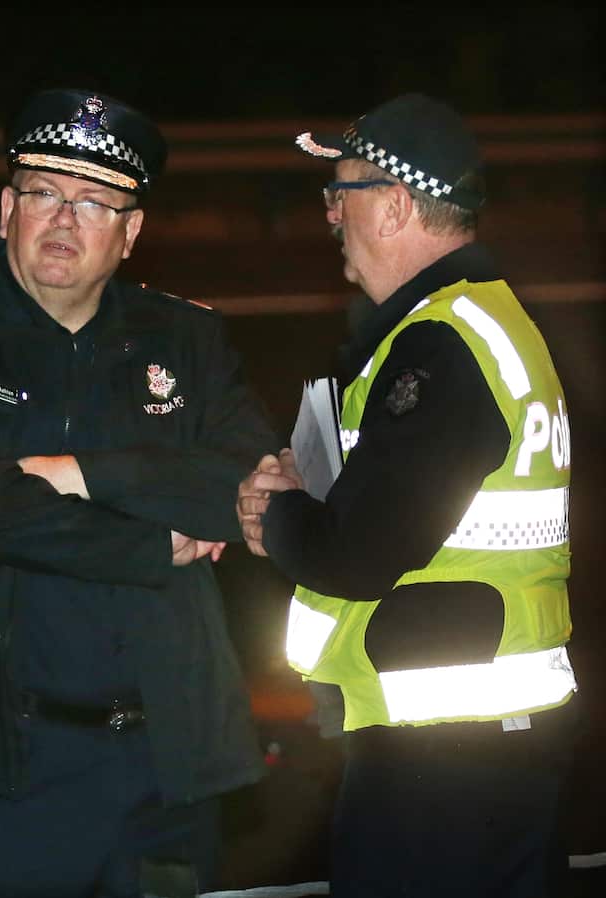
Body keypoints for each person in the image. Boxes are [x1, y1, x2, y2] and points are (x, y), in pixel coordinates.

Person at [0, 88, 278, 897]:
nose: (63, 221)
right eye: (43, 194)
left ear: (131, 233)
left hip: (166, 771)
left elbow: (249, 484)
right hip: (4, 779)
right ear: (5, 209)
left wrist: (80, 473)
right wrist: (153, 537)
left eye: (95, 203)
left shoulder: (186, 340)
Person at [237, 93, 579, 897]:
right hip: (490, 749)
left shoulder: (440, 344)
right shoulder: (486, 324)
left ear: (393, 206)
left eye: (341, 190)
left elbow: (359, 553)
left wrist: (275, 512)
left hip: (442, 764)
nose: (328, 213)